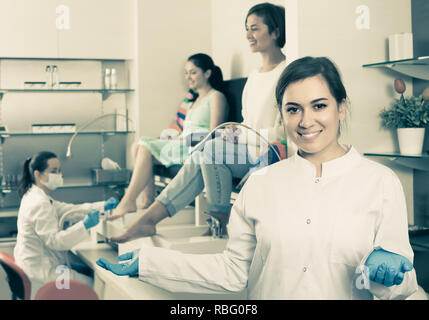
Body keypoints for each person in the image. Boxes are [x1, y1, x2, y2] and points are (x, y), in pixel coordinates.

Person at [97, 56, 418, 300]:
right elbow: (234, 272)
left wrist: (388, 276)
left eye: (319, 106)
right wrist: (148, 263)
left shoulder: (380, 183)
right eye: (293, 109)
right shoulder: (261, 183)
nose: (306, 121)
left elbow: (403, 286)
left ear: (341, 108)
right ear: (283, 114)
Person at [108, 2, 291, 241]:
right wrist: (236, 131)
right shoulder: (255, 77)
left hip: (269, 153)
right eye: (247, 28)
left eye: (254, 28)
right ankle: (155, 220)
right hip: (246, 149)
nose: (248, 35)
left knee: (210, 149)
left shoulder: (288, 73)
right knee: (202, 153)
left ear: (275, 31)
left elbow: (286, 132)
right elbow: (248, 121)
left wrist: (242, 135)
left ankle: (213, 226)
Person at [110, 53, 228, 217]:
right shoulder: (192, 101)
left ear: (207, 73)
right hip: (181, 141)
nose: (188, 77)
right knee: (137, 145)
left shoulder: (216, 97)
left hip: (195, 146)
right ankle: (146, 201)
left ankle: (131, 201)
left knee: (144, 148)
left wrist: (185, 139)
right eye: (186, 73)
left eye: (193, 72)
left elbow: (214, 133)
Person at [14, 151, 119, 298]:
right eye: (54, 171)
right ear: (38, 174)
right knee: (95, 285)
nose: (59, 175)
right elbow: (55, 242)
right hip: (41, 272)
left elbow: (69, 210)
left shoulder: (37, 196)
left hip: (35, 266)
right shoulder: (38, 203)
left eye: (59, 170)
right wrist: (85, 225)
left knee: (88, 275)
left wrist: (103, 206)